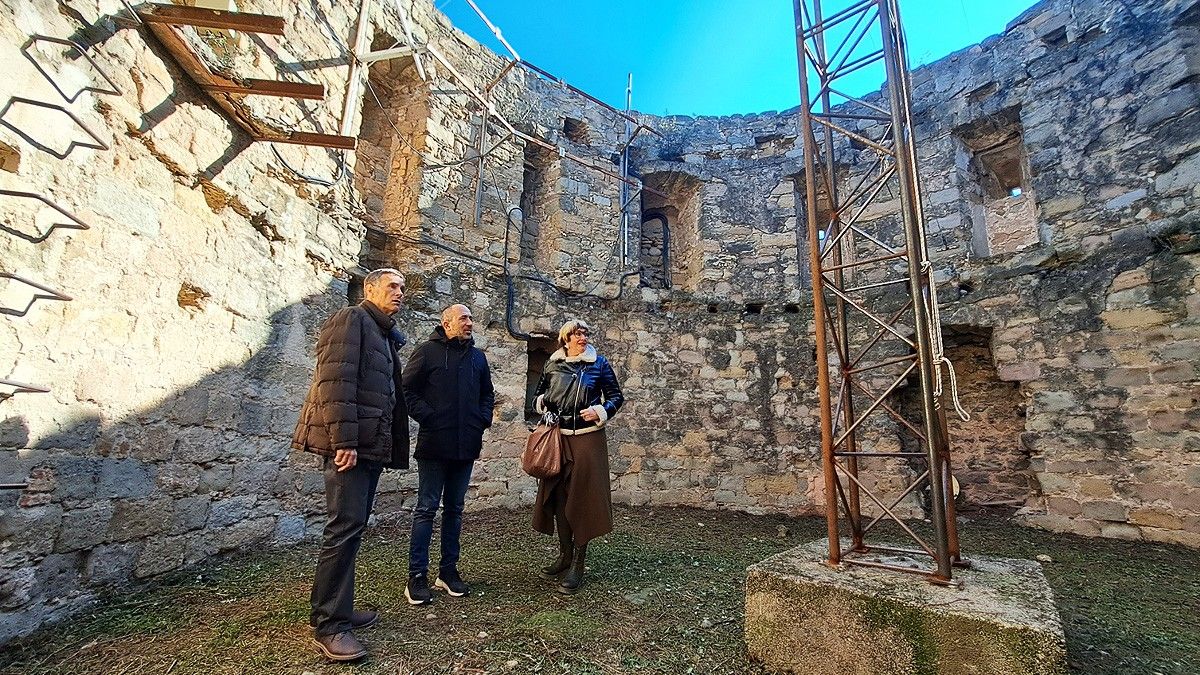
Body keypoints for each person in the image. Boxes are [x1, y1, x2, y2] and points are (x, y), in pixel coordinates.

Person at [292, 268, 409, 662]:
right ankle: (329, 625)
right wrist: (344, 441)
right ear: (369, 288)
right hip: (350, 447)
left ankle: (336, 608)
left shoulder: (381, 332)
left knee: (352, 527)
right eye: (392, 286)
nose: (400, 293)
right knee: (342, 528)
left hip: (368, 446)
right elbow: (335, 382)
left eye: (403, 288)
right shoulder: (352, 319)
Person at [401, 304, 495, 605]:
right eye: (463, 318)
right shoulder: (427, 352)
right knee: (427, 508)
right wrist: (429, 417)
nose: (469, 323)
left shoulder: (478, 358)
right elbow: (405, 391)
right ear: (447, 323)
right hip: (434, 444)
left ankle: (448, 572)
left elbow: (487, 394)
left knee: (455, 509)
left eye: (470, 318)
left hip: (466, 444)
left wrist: (481, 420)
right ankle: (416, 577)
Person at [531, 318, 624, 594]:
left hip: (588, 440)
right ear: (565, 339)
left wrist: (601, 411)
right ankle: (564, 555)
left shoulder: (599, 364)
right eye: (577, 334)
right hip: (558, 439)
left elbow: (616, 396)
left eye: (585, 334)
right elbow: (539, 395)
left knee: (583, 499)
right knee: (558, 496)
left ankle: (579, 564)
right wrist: (544, 407)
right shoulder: (553, 363)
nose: (583, 338)